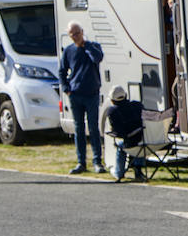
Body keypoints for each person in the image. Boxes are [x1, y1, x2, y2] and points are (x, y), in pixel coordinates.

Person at [99, 86, 174, 183]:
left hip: (132, 146)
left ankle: (119, 173)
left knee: (122, 146)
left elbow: (119, 132)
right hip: (151, 142)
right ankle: (138, 170)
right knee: (139, 139)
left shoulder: (113, 111)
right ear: (125, 96)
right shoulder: (137, 105)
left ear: (112, 100)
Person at [59, 21, 106, 175]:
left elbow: (97, 59)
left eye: (77, 33)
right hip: (75, 94)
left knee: (93, 127)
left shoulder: (93, 46)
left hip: (91, 93)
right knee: (78, 129)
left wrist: (86, 46)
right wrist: (66, 89)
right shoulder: (68, 51)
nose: (75, 37)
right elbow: (62, 71)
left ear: (82, 32)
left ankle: (97, 161)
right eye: (72, 34)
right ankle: (81, 162)